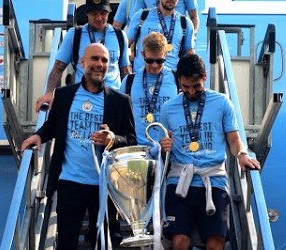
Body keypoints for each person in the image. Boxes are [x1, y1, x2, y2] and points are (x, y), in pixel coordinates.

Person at [21, 43, 137, 249]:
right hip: (70, 182)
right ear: (82, 62)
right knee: (67, 242)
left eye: (104, 60)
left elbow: (131, 140)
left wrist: (112, 139)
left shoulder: (120, 101)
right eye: (95, 59)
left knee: (102, 242)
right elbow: (53, 125)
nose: (99, 64)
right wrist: (38, 136)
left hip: (104, 185)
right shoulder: (64, 95)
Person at [159, 54, 261, 250]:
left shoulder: (222, 102)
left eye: (196, 86)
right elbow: (163, 149)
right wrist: (164, 147)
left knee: (215, 244)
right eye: (185, 87)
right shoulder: (168, 108)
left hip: (213, 180)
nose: (191, 92)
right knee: (179, 241)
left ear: (204, 76)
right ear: (179, 80)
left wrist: (241, 155)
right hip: (180, 181)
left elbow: (233, 139)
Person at [35, 0, 131, 112]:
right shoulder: (74, 34)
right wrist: (49, 93)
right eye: (94, 14)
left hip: (112, 100)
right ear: (87, 14)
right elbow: (58, 67)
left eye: (103, 13)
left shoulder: (120, 35)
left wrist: (130, 99)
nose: (99, 18)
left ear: (109, 13)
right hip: (82, 101)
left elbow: (125, 71)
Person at [119, 32, 179, 148]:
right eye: (150, 61)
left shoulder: (176, 79)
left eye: (160, 61)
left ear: (165, 55)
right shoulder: (129, 81)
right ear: (142, 54)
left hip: (168, 149)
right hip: (138, 149)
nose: (155, 65)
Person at [126, 0, 195, 73]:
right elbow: (124, 45)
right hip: (141, 77)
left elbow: (189, 54)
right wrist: (127, 66)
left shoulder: (185, 23)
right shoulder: (141, 16)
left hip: (170, 79)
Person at [131, 0, 199, 35]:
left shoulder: (186, 22)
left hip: (176, 33)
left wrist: (192, 36)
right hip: (149, 34)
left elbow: (194, 16)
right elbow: (136, 19)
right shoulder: (139, 14)